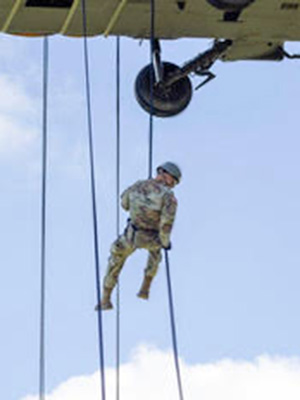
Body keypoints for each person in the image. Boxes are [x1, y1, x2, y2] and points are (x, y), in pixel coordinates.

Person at [96, 162, 181, 311]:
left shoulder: (137, 185)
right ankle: (145, 288)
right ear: (167, 176)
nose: (172, 185)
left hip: (131, 235)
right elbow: (166, 224)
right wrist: (165, 242)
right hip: (151, 238)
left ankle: (105, 299)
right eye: (173, 182)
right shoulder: (169, 197)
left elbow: (124, 203)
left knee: (115, 261)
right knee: (156, 254)